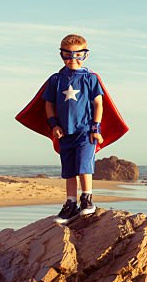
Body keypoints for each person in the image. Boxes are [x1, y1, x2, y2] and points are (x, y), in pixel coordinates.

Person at [42, 34, 104, 223]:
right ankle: (70, 203)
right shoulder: (56, 79)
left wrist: (96, 128)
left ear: (85, 55)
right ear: (61, 55)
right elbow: (48, 104)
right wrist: (54, 125)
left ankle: (87, 198)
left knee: (84, 166)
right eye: (67, 55)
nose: (72, 60)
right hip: (65, 132)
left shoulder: (90, 78)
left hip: (85, 132)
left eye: (78, 55)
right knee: (69, 170)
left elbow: (98, 104)